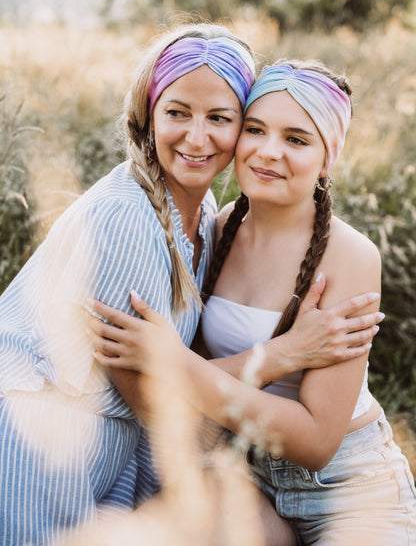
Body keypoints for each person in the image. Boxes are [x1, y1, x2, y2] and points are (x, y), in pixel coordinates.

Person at [0, 23, 380, 545]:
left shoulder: (209, 220)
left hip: (324, 482)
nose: (197, 138)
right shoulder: (127, 219)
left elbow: (182, 376)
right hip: (43, 446)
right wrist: (281, 355)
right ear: (148, 113)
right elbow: (156, 403)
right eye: (177, 112)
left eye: (220, 118)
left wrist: (184, 368)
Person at [90, 59, 416, 544]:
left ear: (328, 158)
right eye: (256, 129)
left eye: (296, 139)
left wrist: (173, 362)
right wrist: (277, 355)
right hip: (247, 477)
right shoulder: (220, 228)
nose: (268, 152)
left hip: (349, 489)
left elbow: (315, 443)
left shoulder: (350, 257)